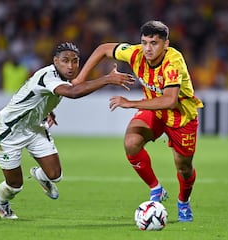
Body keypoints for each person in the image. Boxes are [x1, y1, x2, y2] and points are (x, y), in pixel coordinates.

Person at [77, 20, 203, 222]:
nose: (147, 48)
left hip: (181, 117)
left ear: (166, 44)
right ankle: (156, 189)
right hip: (154, 110)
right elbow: (103, 49)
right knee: (131, 143)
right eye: (144, 42)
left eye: (154, 43)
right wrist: (79, 80)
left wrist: (130, 103)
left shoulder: (173, 62)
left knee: (184, 168)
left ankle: (183, 202)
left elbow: (170, 101)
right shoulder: (135, 53)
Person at [0, 42, 134, 219]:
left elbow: (40, 94)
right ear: (55, 61)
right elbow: (73, 92)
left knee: (55, 175)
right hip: (9, 130)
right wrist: (107, 79)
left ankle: (39, 175)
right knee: (15, 185)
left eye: (75, 61)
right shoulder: (48, 75)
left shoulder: (61, 78)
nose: (71, 66)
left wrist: (46, 109)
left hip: (35, 126)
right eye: (65, 61)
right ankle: (2, 202)